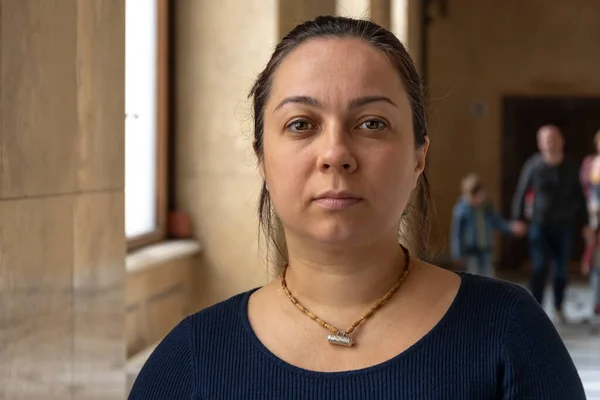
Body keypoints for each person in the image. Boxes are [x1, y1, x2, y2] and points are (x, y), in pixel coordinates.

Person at [129, 16, 585, 399]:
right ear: (262, 158)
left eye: (371, 123)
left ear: (418, 156)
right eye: (301, 124)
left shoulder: (509, 335)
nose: (335, 153)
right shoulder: (190, 362)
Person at [512, 125, 591, 324]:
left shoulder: (570, 166)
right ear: (540, 143)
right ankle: (536, 309)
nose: (550, 142)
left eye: (554, 138)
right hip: (539, 224)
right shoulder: (533, 165)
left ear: (561, 141)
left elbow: (580, 196)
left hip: (564, 225)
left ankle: (558, 307)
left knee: (561, 270)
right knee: (538, 267)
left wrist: (586, 223)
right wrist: (518, 218)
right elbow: (522, 191)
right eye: (546, 139)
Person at [451, 173, 526, 277]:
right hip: (471, 252)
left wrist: (511, 227)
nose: (476, 200)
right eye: (473, 197)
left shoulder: (486, 208)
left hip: (486, 250)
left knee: (487, 277)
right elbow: (457, 234)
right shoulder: (461, 211)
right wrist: (457, 254)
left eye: (478, 196)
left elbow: (497, 222)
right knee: (473, 278)